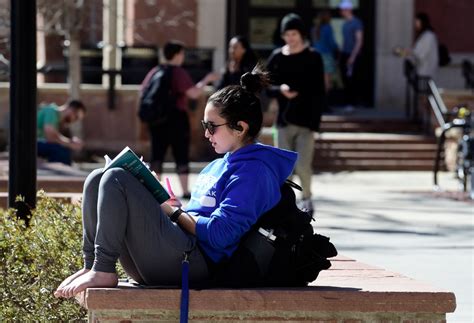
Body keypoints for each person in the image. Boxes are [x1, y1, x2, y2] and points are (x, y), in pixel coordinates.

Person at [53, 66, 298, 298]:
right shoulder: (218, 165)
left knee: (116, 178)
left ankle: (104, 269)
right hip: (177, 252)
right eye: (204, 125)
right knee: (98, 178)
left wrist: (172, 211)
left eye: (211, 126)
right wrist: (162, 200)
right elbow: (193, 215)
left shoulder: (254, 172)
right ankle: (92, 265)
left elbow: (221, 234)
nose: (205, 134)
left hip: (196, 265)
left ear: (240, 128)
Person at [141, 40, 219, 199]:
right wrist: (207, 80)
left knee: (157, 155)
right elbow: (193, 93)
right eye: (182, 53)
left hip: (157, 121)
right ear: (177, 54)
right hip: (176, 119)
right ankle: (184, 191)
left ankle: (154, 190)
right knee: (181, 154)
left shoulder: (155, 71)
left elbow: (142, 91)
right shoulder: (178, 72)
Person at [266, 13, 326, 215]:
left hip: (306, 121)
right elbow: (266, 86)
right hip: (283, 121)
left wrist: (316, 123)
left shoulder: (313, 57)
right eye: (287, 34)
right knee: (283, 168)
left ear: (301, 34)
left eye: (294, 33)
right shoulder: (277, 57)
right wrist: (280, 90)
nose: (290, 38)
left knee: (302, 165)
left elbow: (319, 92)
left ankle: (307, 198)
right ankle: (286, 203)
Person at [37, 99, 86, 165]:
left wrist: (69, 142)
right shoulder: (51, 111)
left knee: (61, 149)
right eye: (76, 117)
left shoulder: (56, 117)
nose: (74, 120)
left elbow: (53, 137)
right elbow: (50, 137)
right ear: (70, 109)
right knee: (60, 150)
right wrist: (70, 143)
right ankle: (59, 174)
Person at [395, 12, 439, 79]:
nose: (415, 25)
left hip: (425, 72)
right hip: (421, 71)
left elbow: (420, 54)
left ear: (423, 22)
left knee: (424, 88)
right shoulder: (424, 36)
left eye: (417, 22)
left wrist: (406, 52)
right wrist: (404, 53)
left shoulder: (429, 36)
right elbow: (416, 53)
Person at [338, 0, 364, 110]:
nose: (341, 12)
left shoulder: (356, 22)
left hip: (353, 55)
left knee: (352, 80)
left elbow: (359, 41)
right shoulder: (344, 24)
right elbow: (345, 40)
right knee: (345, 79)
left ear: (348, 10)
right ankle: (347, 102)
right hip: (344, 54)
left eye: (343, 9)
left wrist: (353, 57)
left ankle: (352, 103)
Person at [312, 10, 339, 92]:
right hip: (326, 55)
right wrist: (338, 48)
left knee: (318, 79)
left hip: (316, 55)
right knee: (327, 80)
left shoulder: (314, 28)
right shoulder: (328, 28)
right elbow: (332, 43)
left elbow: (314, 43)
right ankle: (325, 101)